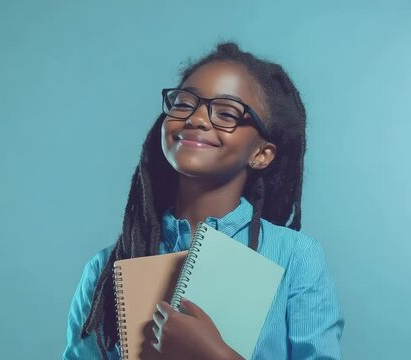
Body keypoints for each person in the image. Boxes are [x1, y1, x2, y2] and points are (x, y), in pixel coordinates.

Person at [63, 42, 344, 360]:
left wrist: (215, 354)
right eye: (184, 103)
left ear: (261, 153)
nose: (196, 118)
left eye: (227, 113)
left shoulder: (295, 257)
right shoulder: (107, 267)